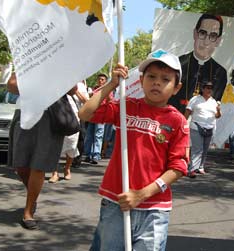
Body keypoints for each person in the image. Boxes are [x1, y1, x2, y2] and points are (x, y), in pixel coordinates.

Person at [80, 49, 190, 250]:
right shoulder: (125, 107)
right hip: (116, 202)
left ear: (176, 87)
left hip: (155, 211)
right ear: (141, 80)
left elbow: (179, 167)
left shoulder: (177, 121)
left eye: (165, 79)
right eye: (151, 76)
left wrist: (142, 194)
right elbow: (85, 113)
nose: (157, 82)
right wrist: (111, 84)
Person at [7, 73, 65, 230]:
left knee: (38, 165)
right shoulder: (30, 55)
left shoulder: (63, 60)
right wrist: (38, 88)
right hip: (24, 112)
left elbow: (72, 88)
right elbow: (11, 84)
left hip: (49, 115)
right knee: (20, 165)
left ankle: (28, 211)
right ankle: (32, 194)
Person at [169, 13, 228, 114]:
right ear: (195, 34)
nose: (206, 42)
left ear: (218, 41)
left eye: (213, 36)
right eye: (203, 33)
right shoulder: (177, 63)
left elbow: (215, 104)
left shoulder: (221, 73)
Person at [184, 81, 221, 177]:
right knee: (197, 149)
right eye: (207, 88)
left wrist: (218, 110)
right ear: (203, 89)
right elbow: (188, 111)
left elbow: (217, 116)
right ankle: (192, 169)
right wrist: (183, 123)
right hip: (196, 126)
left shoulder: (213, 101)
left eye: (211, 88)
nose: (209, 90)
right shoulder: (195, 99)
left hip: (209, 127)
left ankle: (200, 167)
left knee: (205, 149)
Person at [49, 87, 80, 183]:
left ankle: (67, 168)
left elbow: (74, 91)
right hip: (55, 110)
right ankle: (54, 172)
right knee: (54, 144)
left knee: (72, 144)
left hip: (71, 114)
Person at [84, 73, 108, 165]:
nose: (100, 81)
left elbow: (110, 101)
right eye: (99, 79)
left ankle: (96, 155)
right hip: (92, 115)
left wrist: (107, 96)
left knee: (98, 136)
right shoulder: (94, 90)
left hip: (101, 116)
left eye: (102, 79)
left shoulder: (107, 90)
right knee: (89, 135)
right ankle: (88, 154)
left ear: (105, 81)